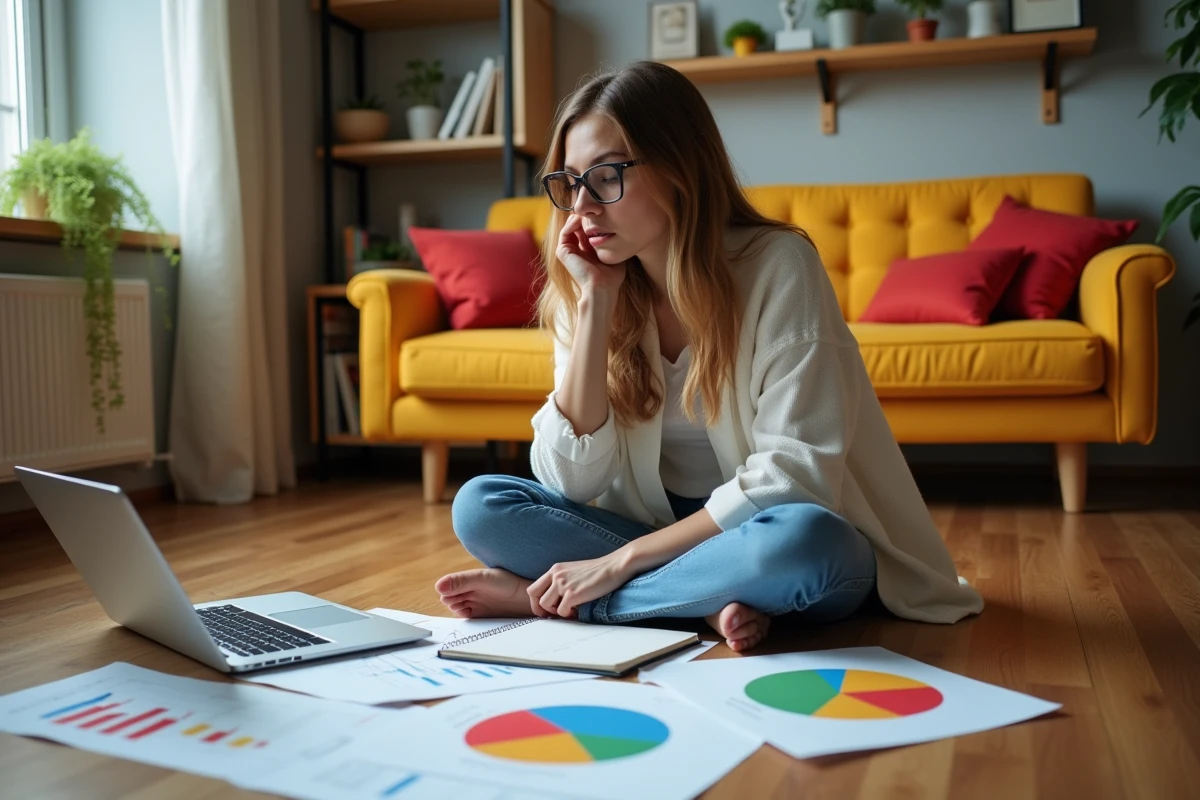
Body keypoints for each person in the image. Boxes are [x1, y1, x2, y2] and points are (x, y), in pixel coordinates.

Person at [435, 61, 983, 652]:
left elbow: (795, 478)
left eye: (606, 175)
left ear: (679, 166)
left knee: (803, 543)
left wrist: (619, 563)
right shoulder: (591, 280)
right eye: (569, 182)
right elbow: (569, 478)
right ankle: (700, 599)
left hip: (777, 534)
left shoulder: (779, 266)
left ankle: (572, 603)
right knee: (481, 506)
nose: (583, 206)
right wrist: (596, 305)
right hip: (659, 529)